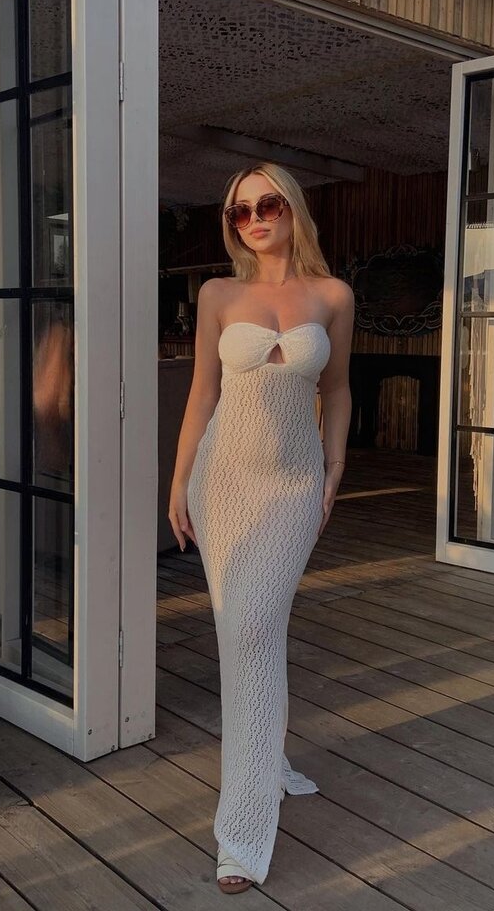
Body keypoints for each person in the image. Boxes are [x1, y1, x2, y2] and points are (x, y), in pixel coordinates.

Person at [168, 162, 354, 894]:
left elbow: (337, 389)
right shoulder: (218, 294)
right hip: (223, 483)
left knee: (252, 627)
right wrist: (179, 481)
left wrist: (335, 467)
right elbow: (201, 394)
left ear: (292, 208)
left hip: (293, 486)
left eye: (267, 204)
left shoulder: (332, 295)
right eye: (239, 211)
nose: (254, 219)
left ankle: (243, 832)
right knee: (247, 635)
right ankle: (261, 774)